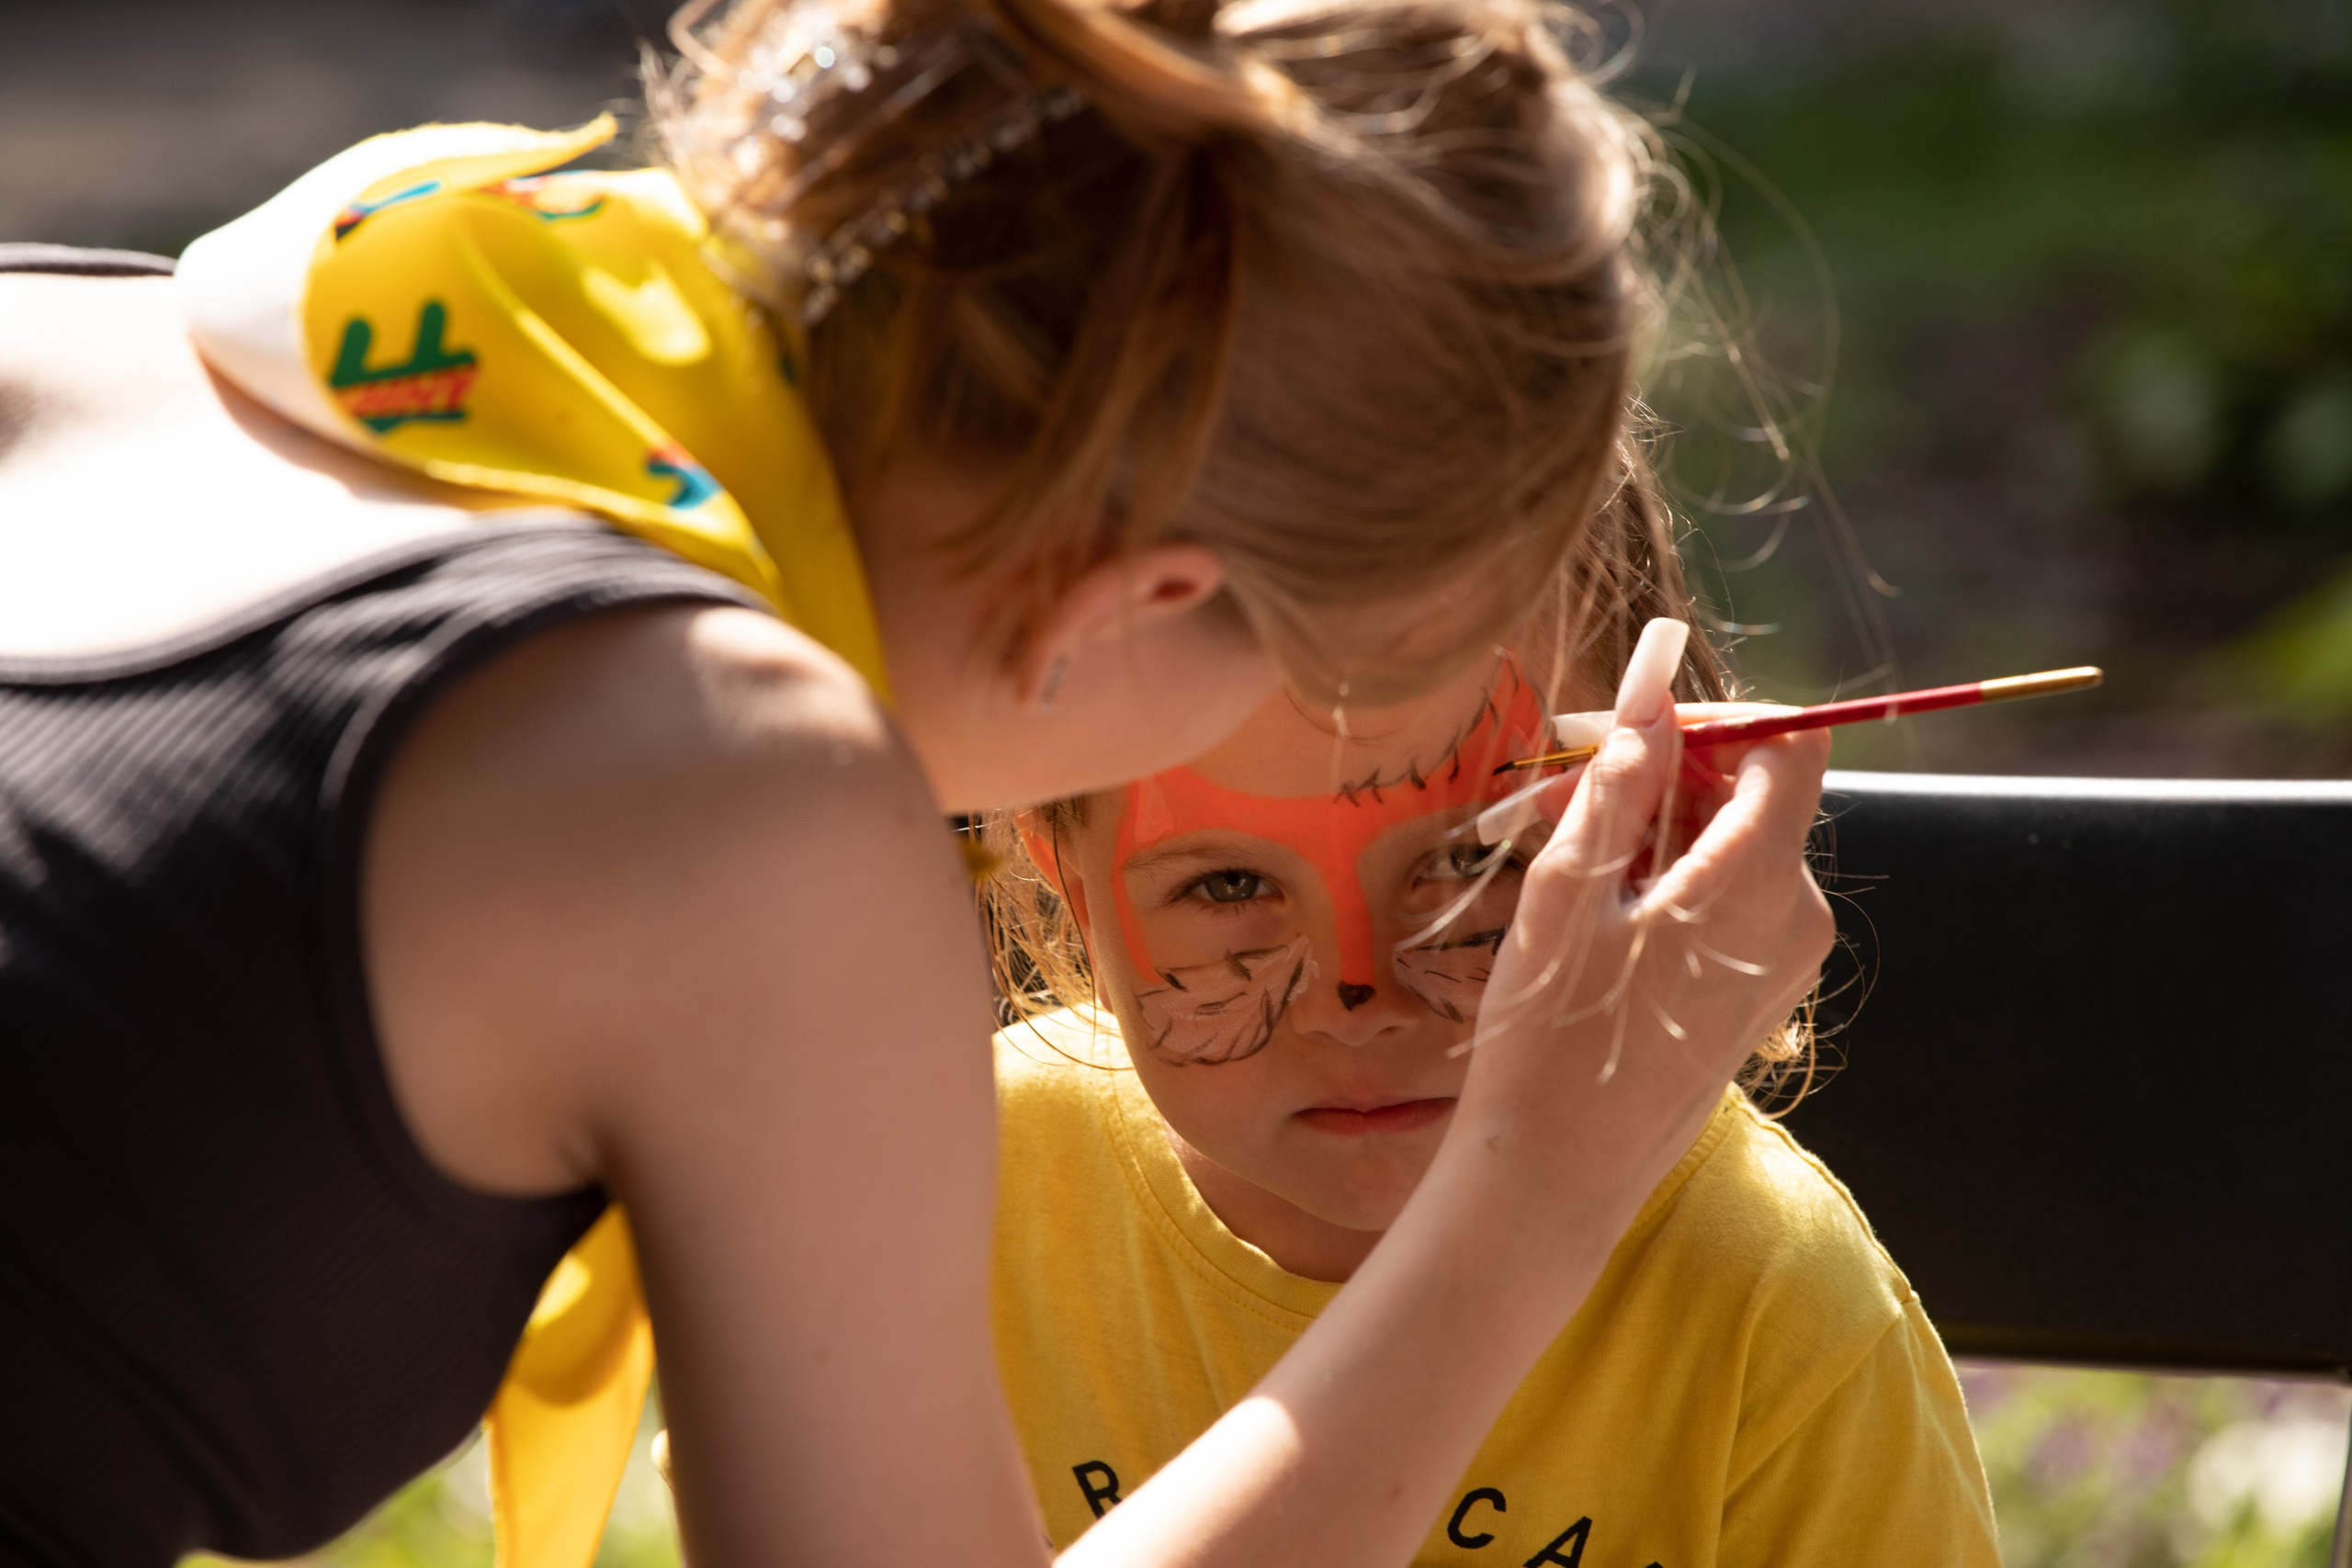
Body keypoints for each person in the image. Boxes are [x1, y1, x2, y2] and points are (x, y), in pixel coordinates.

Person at [0, 0, 1835, 1562]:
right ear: (1137, 602)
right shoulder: (734, 791)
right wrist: (1537, 1189)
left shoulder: (147, 325)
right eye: (1361, 695)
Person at [980, 611, 2000, 1564]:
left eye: (1473, 860)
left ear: (1678, 831)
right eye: (1229, 886)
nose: (1357, 995)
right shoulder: (951, 1194)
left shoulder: (1776, 1311)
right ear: (1070, 889)